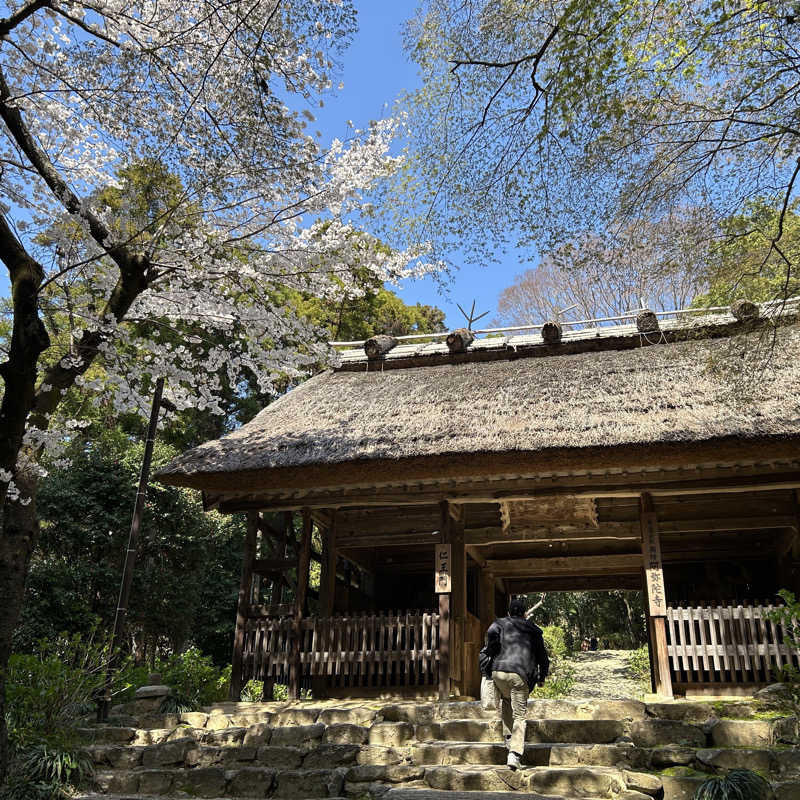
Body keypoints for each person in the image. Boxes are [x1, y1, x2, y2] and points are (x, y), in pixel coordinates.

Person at [484, 597, 549, 770]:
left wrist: (492, 651)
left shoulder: (499, 623)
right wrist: (542, 677)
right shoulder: (533, 630)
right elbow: (543, 657)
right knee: (519, 715)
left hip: (498, 672)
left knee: (507, 701)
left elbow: (491, 636)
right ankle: (514, 754)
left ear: (508, 612)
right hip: (520, 674)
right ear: (525, 613)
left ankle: (508, 739)